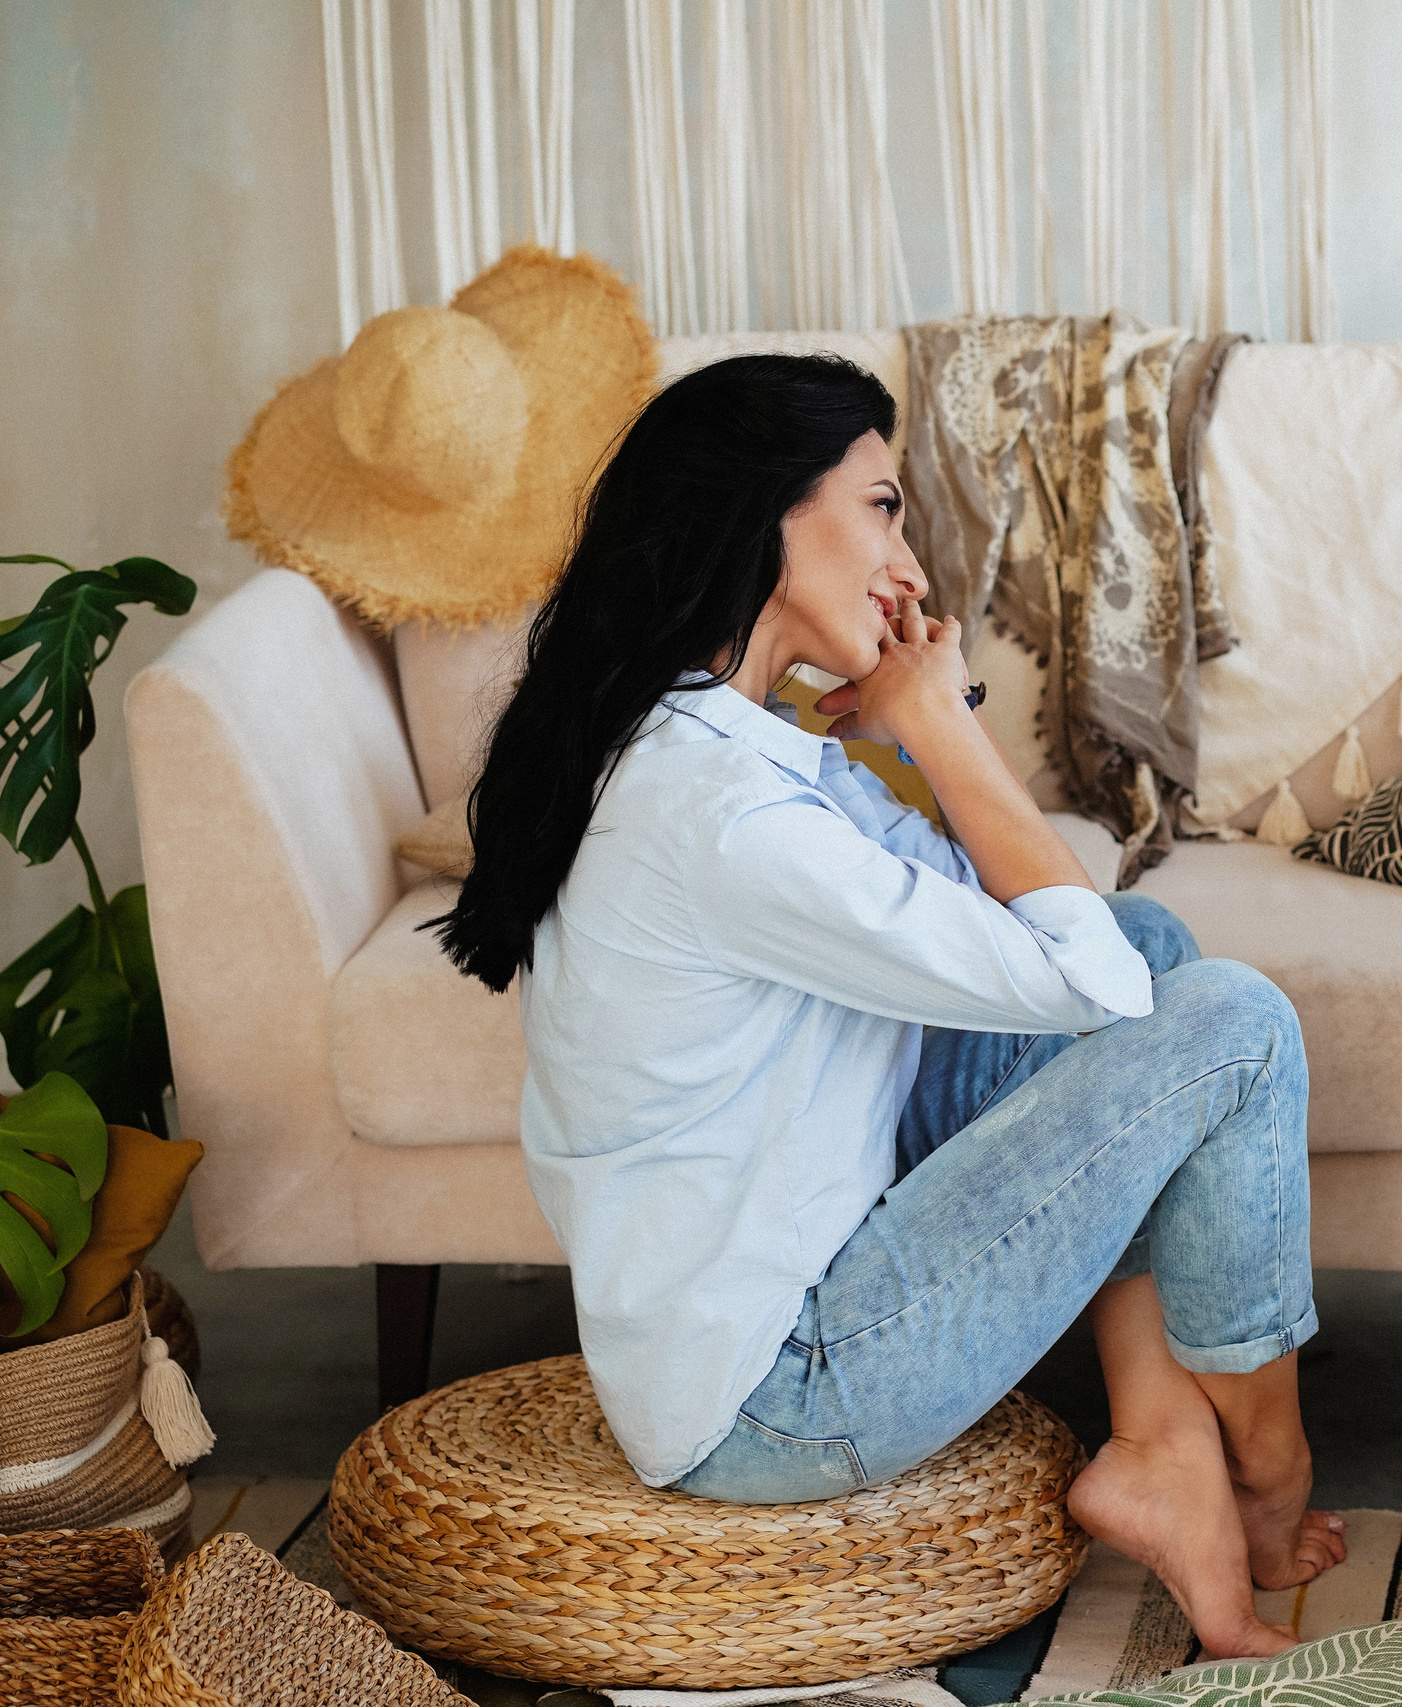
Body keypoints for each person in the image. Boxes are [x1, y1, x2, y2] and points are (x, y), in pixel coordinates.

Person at [431, 351, 1344, 1658]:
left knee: (1148, 939)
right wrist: (949, 737)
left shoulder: (710, 742)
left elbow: (1032, 930)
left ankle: (1157, 1446)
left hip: (802, 1259)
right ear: (767, 521)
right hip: (781, 1394)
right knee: (1228, 1017)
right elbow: (1079, 977)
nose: (907, 562)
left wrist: (918, 725)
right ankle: (1268, 1462)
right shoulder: (727, 817)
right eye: (882, 506)